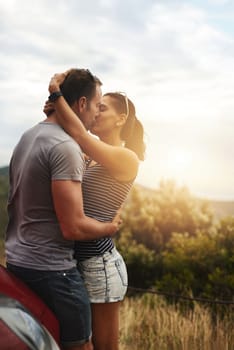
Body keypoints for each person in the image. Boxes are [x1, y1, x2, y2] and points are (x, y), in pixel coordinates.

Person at [5, 68, 121, 350]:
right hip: (54, 272)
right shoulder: (64, 146)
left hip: (18, 261)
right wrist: (111, 227)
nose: (96, 114)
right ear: (81, 104)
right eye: (96, 105)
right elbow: (73, 227)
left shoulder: (29, 136)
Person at [45, 71, 145, 350]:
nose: (95, 110)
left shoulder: (127, 158)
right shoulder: (91, 157)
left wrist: (56, 93)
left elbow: (77, 130)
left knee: (104, 347)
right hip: (78, 263)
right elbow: (70, 134)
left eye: (102, 107)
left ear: (121, 119)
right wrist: (55, 110)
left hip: (99, 266)